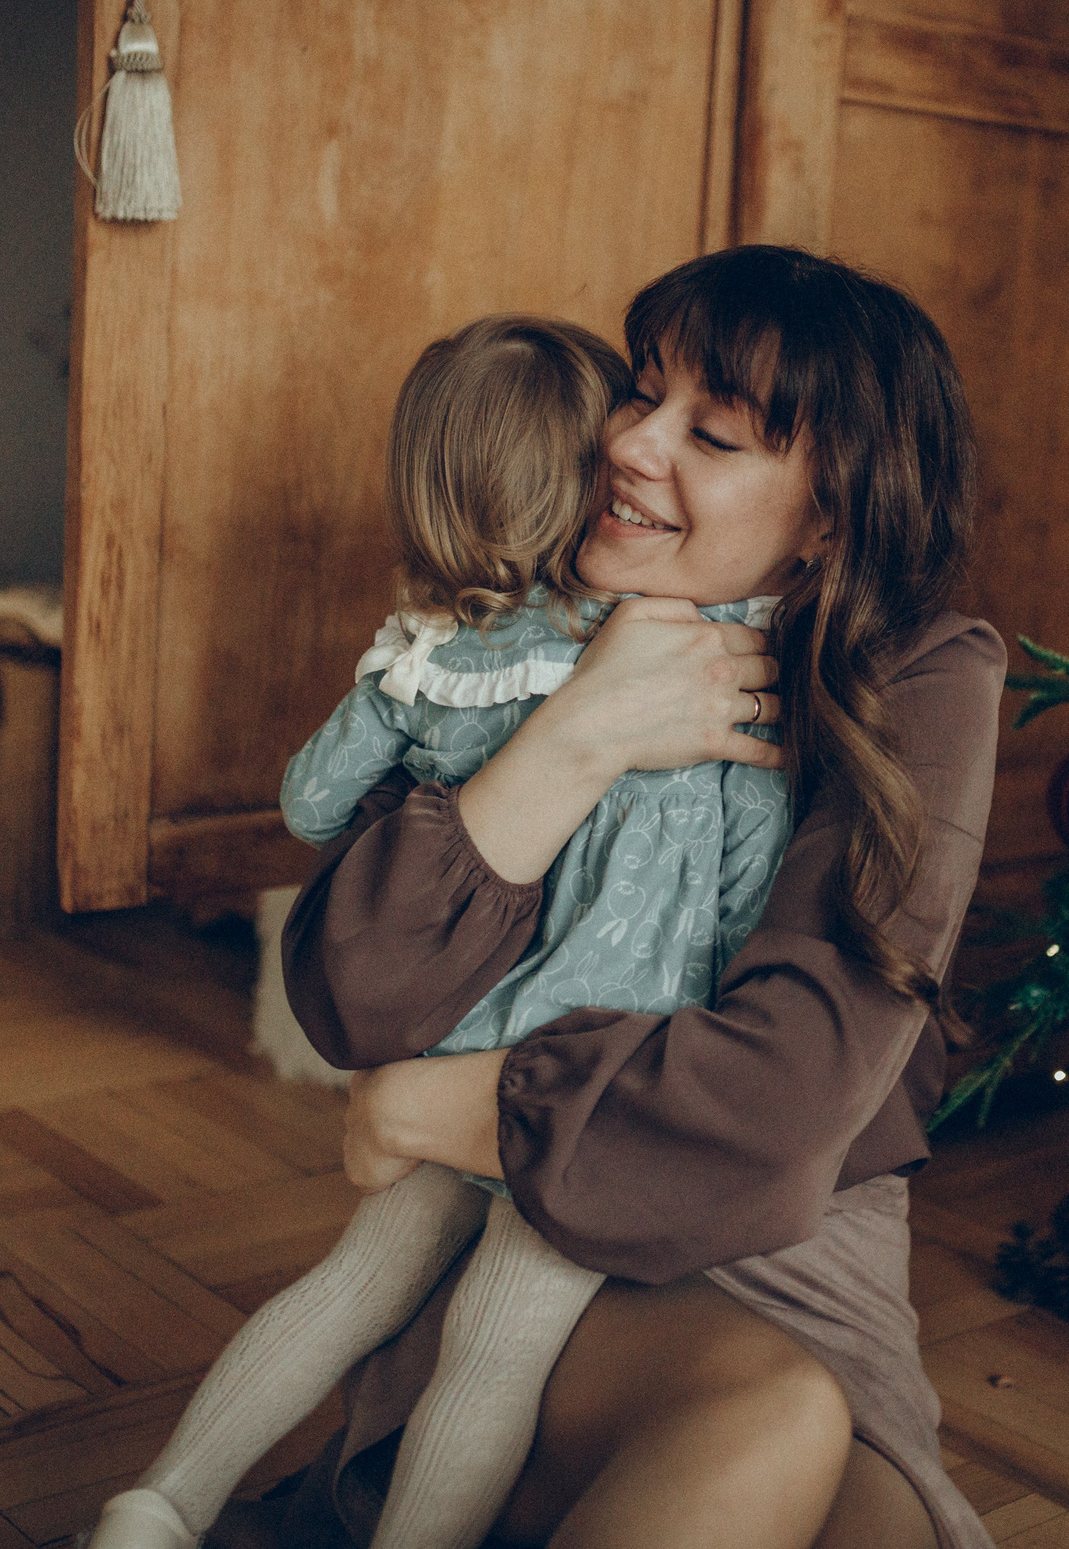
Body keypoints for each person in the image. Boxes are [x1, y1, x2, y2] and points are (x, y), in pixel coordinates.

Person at [278, 245, 1005, 1549]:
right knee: (768, 1427)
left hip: (794, 1242)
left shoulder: (926, 674)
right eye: (643, 391)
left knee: (867, 1521)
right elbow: (354, 990)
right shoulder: (523, 628)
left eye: (710, 431)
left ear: (832, 512)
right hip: (529, 1223)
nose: (629, 443)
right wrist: (580, 733)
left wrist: (444, 1098)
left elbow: (784, 1106)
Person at [87, 314, 791, 1549]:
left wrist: (407, 728)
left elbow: (309, 802)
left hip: (460, 1045)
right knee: (497, 1347)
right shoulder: (701, 655)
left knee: (352, 1286)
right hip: (596, 1074)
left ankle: (155, 1507)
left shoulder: (435, 659)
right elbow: (747, 892)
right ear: (590, 480)